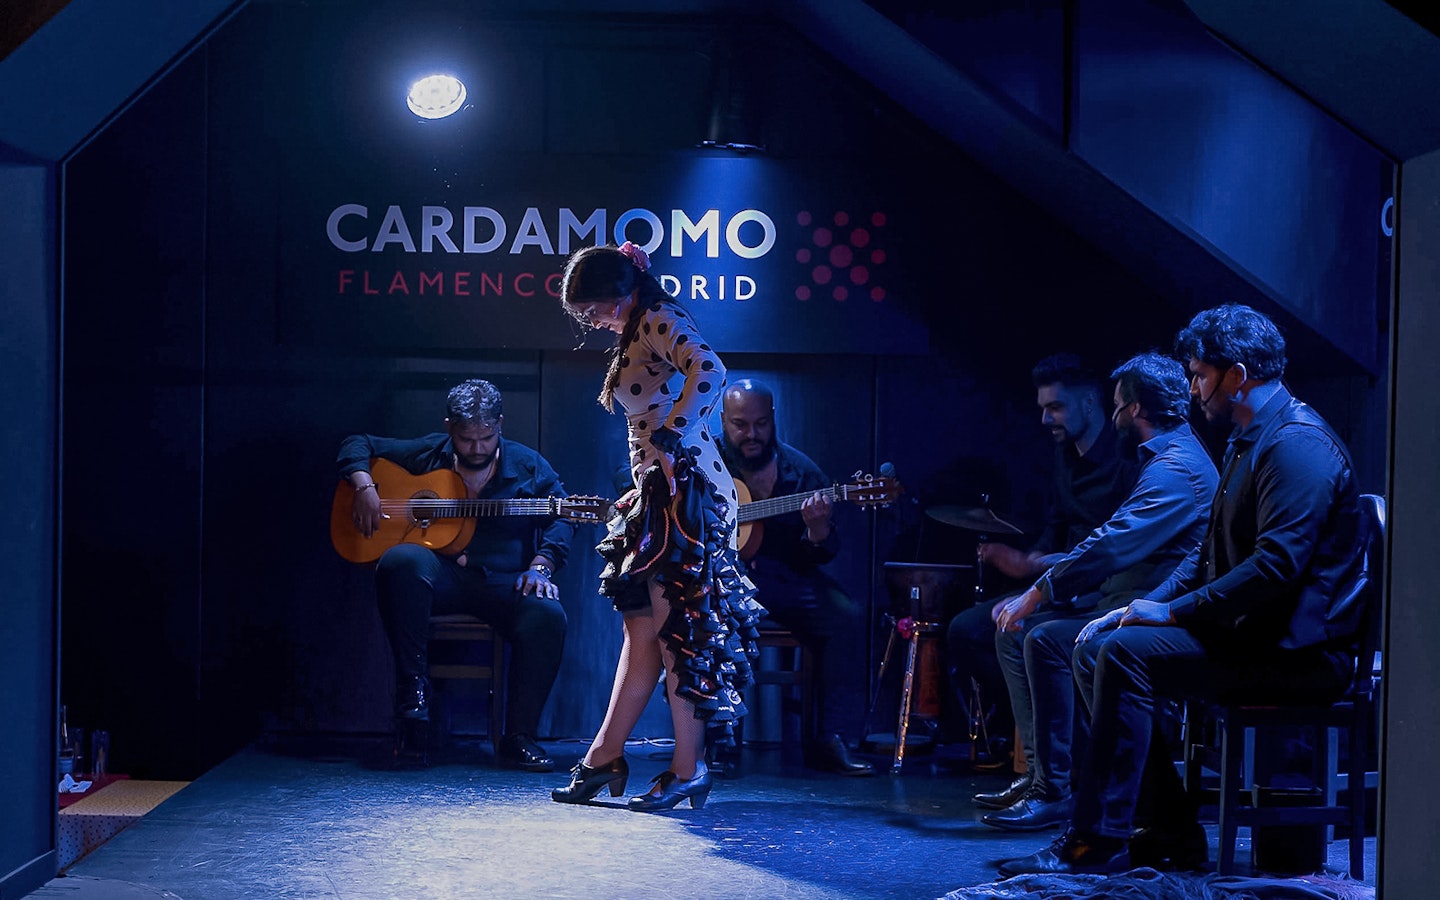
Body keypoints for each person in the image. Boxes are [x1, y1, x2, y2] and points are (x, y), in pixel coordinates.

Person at [999, 304, 1365, 876]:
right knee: (1103, 644)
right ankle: (1163, 829)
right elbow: (1209, 553)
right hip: (1252, 635)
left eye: (1199, 375)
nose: (1192, 389)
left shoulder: (1297, 446)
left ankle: (1098, 839)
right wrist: (1151, 606)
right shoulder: (1250, 437)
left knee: (1121, 654)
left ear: (1237, 374)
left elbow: (1275, 568)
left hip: (1295, 652)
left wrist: (1174, 614)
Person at [549, 242, 762, 812]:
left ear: (620, 293)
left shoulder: (660, 318)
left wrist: (670, 436)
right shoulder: (638, 325)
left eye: (592, 308)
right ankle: (603, 758)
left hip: (686, 495)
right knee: (644, 636)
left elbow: (711, 369)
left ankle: (687, 769)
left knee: (676, 637)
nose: (590, 320)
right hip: (663, 493)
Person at [980, 353, 1217, 831]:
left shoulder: (1176, 468)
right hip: (1124, 601)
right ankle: (1057, 786)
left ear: (1134, 410)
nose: (1112, 417)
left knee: (1049, 640)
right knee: (1033, 635)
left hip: (1152, 612)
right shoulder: (1164, 458)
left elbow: (1112, 543)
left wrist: (1039, 590)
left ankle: (1081, 803)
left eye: (1116, 406)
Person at [337, 378, 576, 773]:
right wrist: (363, 484)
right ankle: (413, 698)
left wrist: (542, 565)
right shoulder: (429, 452)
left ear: (500, 424)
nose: (478, 448)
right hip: (444, 576)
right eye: (467, 439)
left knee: (548, 615)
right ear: (449, 427)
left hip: (502, 582)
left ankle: (519, 737)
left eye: (487, 437)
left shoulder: (528, 465)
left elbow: (566, 514)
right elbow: (356, 443)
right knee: (401, 561)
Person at [947, 353, 1137, 808]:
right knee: (970, 630)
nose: (1045, 417)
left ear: (1091, 405)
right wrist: (1028, 559)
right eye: (1043, 407)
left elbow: (1110, 547)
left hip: (1105, 586)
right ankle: (1042, 764)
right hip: (1064, 580)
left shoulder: (1127, 460)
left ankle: (1055, 777)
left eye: (1056, 407)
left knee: (1029, 635)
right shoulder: (1062, 455)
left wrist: (1031, 571)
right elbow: (1058, 523)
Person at [716, 378, 874, 776]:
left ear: (773, 420)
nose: (751, 434)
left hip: (787, 580)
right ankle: (720, 737)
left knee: (845, 617)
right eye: (740, 424)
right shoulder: (705, 463)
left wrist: (818, 531)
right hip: (722, 579)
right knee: (704, 617)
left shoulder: (802, 474)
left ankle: (830, 738)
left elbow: (823, 552)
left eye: (760, 424)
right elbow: (630, 479)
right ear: (723, 421)